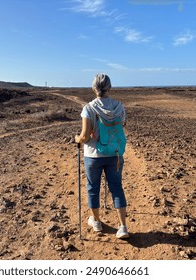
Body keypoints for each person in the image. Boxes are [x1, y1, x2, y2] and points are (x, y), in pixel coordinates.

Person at [75, 73, 129, 239]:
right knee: (116, 188)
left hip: (93, 156)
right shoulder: (119, 106)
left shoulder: (89, 108)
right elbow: (122, 125)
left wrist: (77, 139)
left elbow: (84, 137)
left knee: (93, 188)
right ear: (110, 88)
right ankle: (123, 227)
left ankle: (97, 222)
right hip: (114, 154)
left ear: (93, 88)